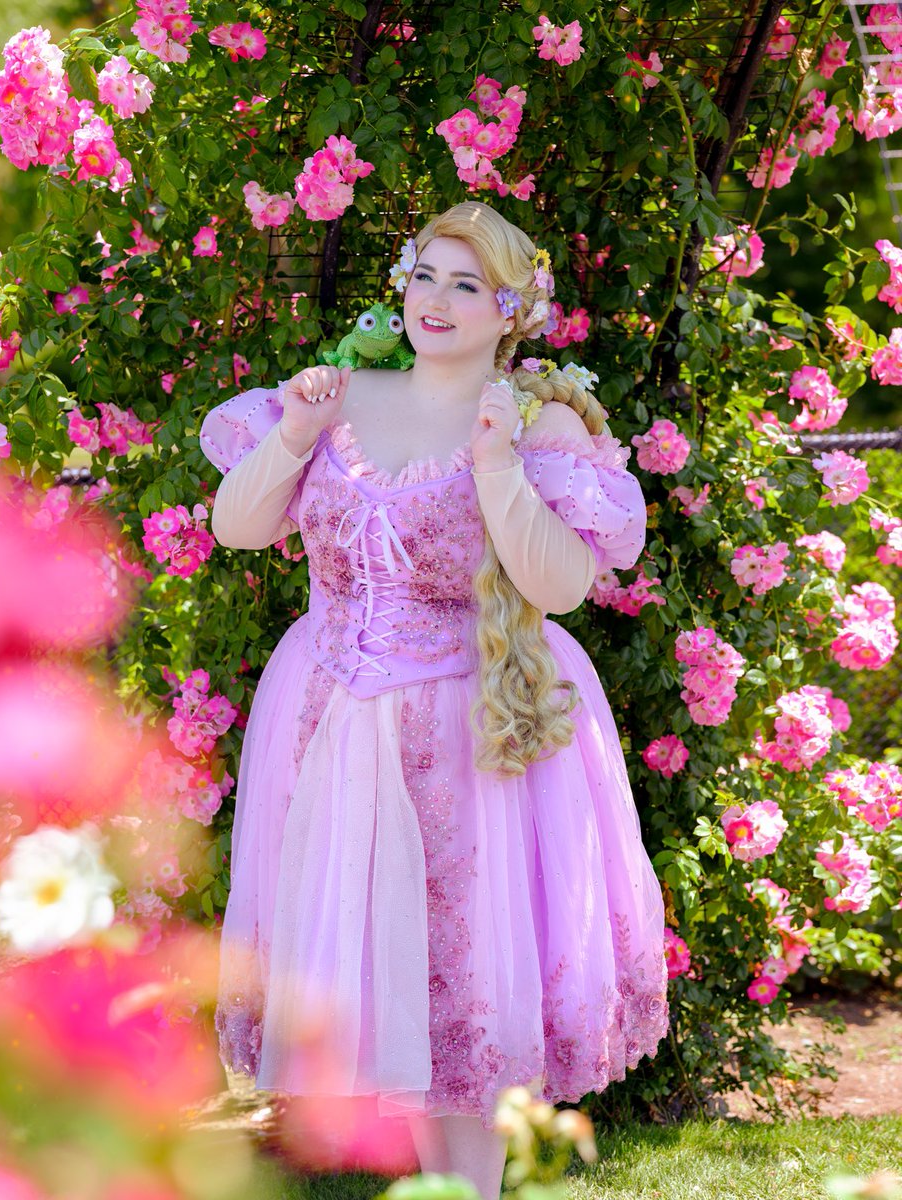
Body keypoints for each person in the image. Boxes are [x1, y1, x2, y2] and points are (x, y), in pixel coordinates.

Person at [199, 201, 669, 1199]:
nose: (438, 301)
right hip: (334, 723)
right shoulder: (341, 397)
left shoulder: (533, 421)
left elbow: (559, 586)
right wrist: (295, 433)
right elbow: (236, 526)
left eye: (468, 285)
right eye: (425, 276)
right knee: (392, 989)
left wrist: (498, 462)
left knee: (461, 984)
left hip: (470, 731)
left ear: (512, 310)